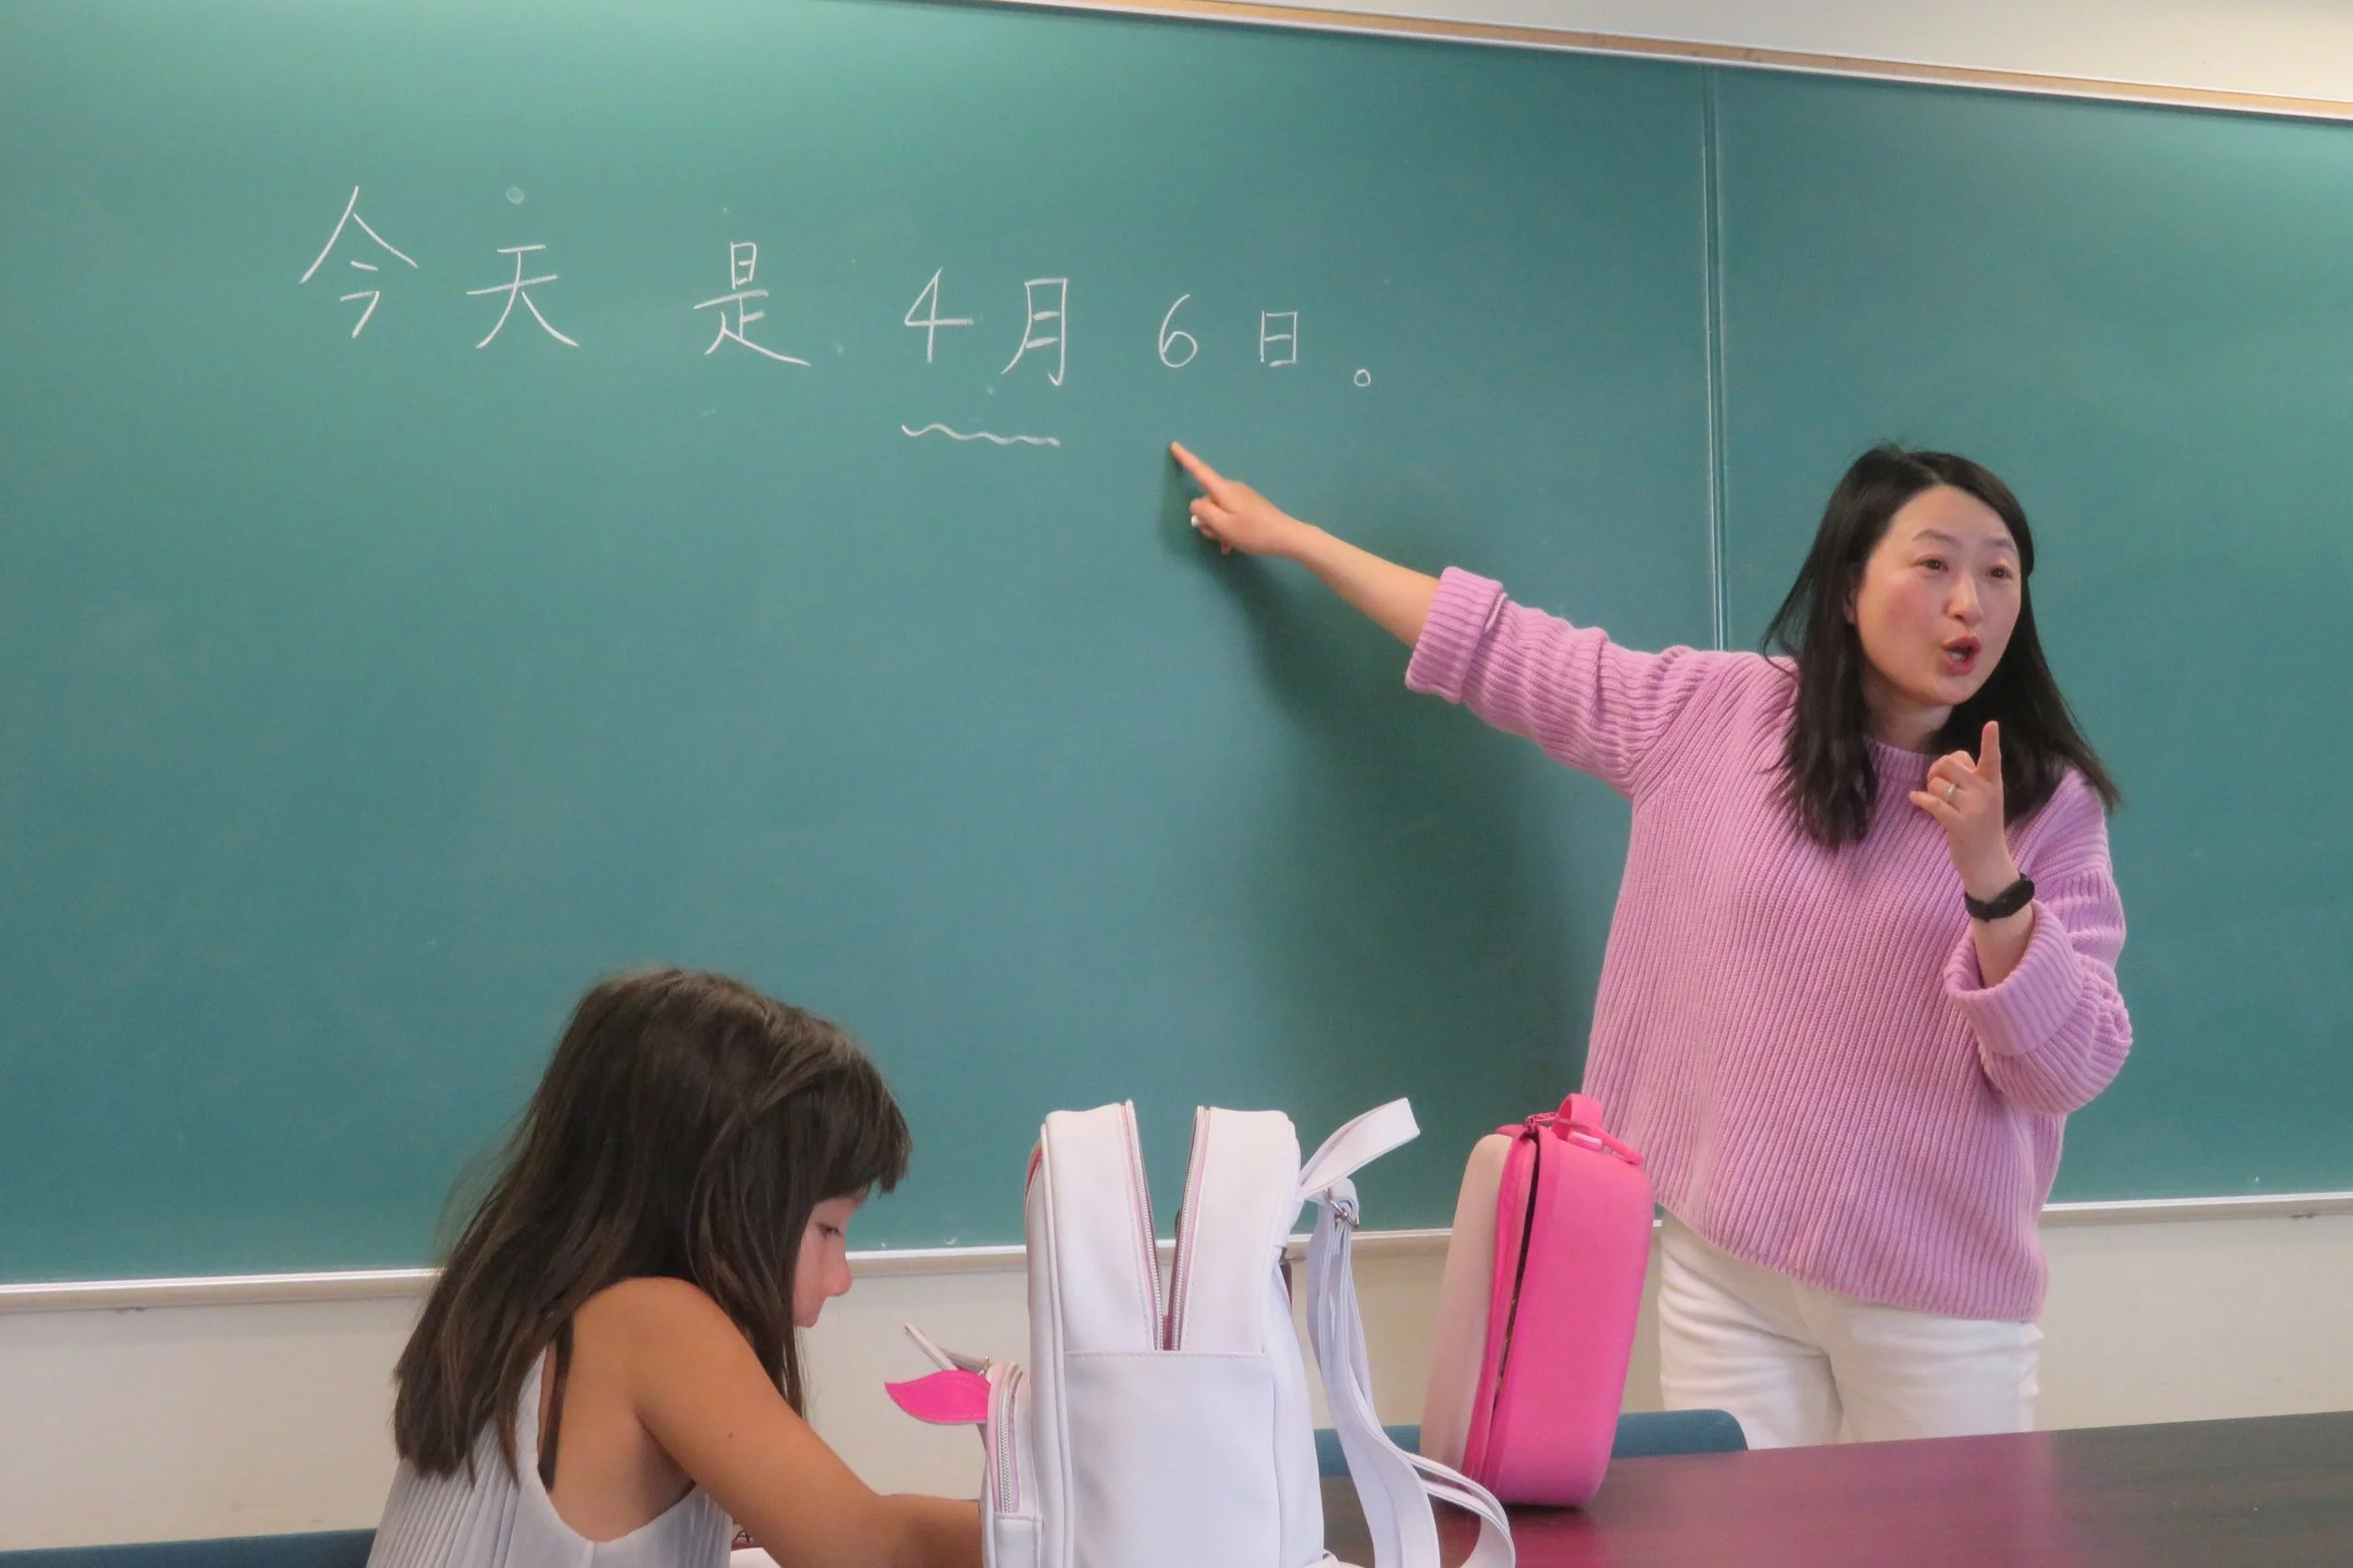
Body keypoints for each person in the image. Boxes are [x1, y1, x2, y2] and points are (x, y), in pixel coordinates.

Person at [1170, 440, 2129, 1448]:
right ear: (1848, 589)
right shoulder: (1716, 716)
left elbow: (2067, 1068)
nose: (1968, 601)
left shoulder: (2044, 802)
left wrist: (1991, 879)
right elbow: (1499, 650)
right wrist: (1298, 541)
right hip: (1730, 1270)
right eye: (1933, 563)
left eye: (1998, 571)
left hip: (1937, 1298)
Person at [367, 968, 982, 1567]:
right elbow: (871, 1550)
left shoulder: (522, 1305)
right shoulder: (652, 1322)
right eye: (827, 1228)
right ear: (726, 1194)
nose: (840, 1276)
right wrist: (1058, 1519)